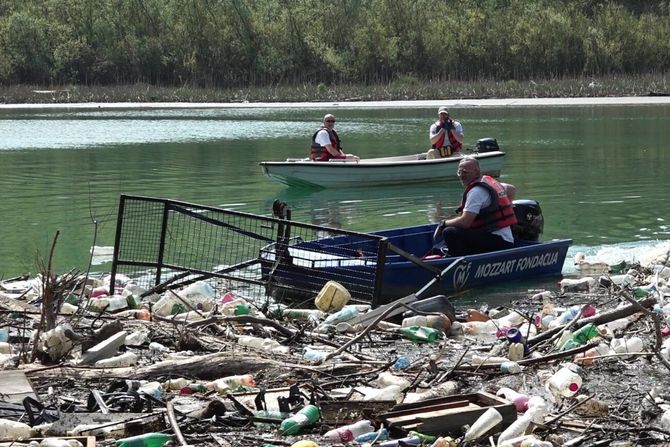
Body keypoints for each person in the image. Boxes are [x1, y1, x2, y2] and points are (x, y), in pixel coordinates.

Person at [438, 156, 517, 256]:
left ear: (476, 172)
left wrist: (444, 223)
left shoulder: (476, 192)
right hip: (505, 238)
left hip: (499, 242)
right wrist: (507, 204)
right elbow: (511, 189)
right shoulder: (487, 182)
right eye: (459, 172)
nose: (461, 176)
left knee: (449, 232)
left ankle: (462, 265)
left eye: (465, 172)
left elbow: (465, 222)